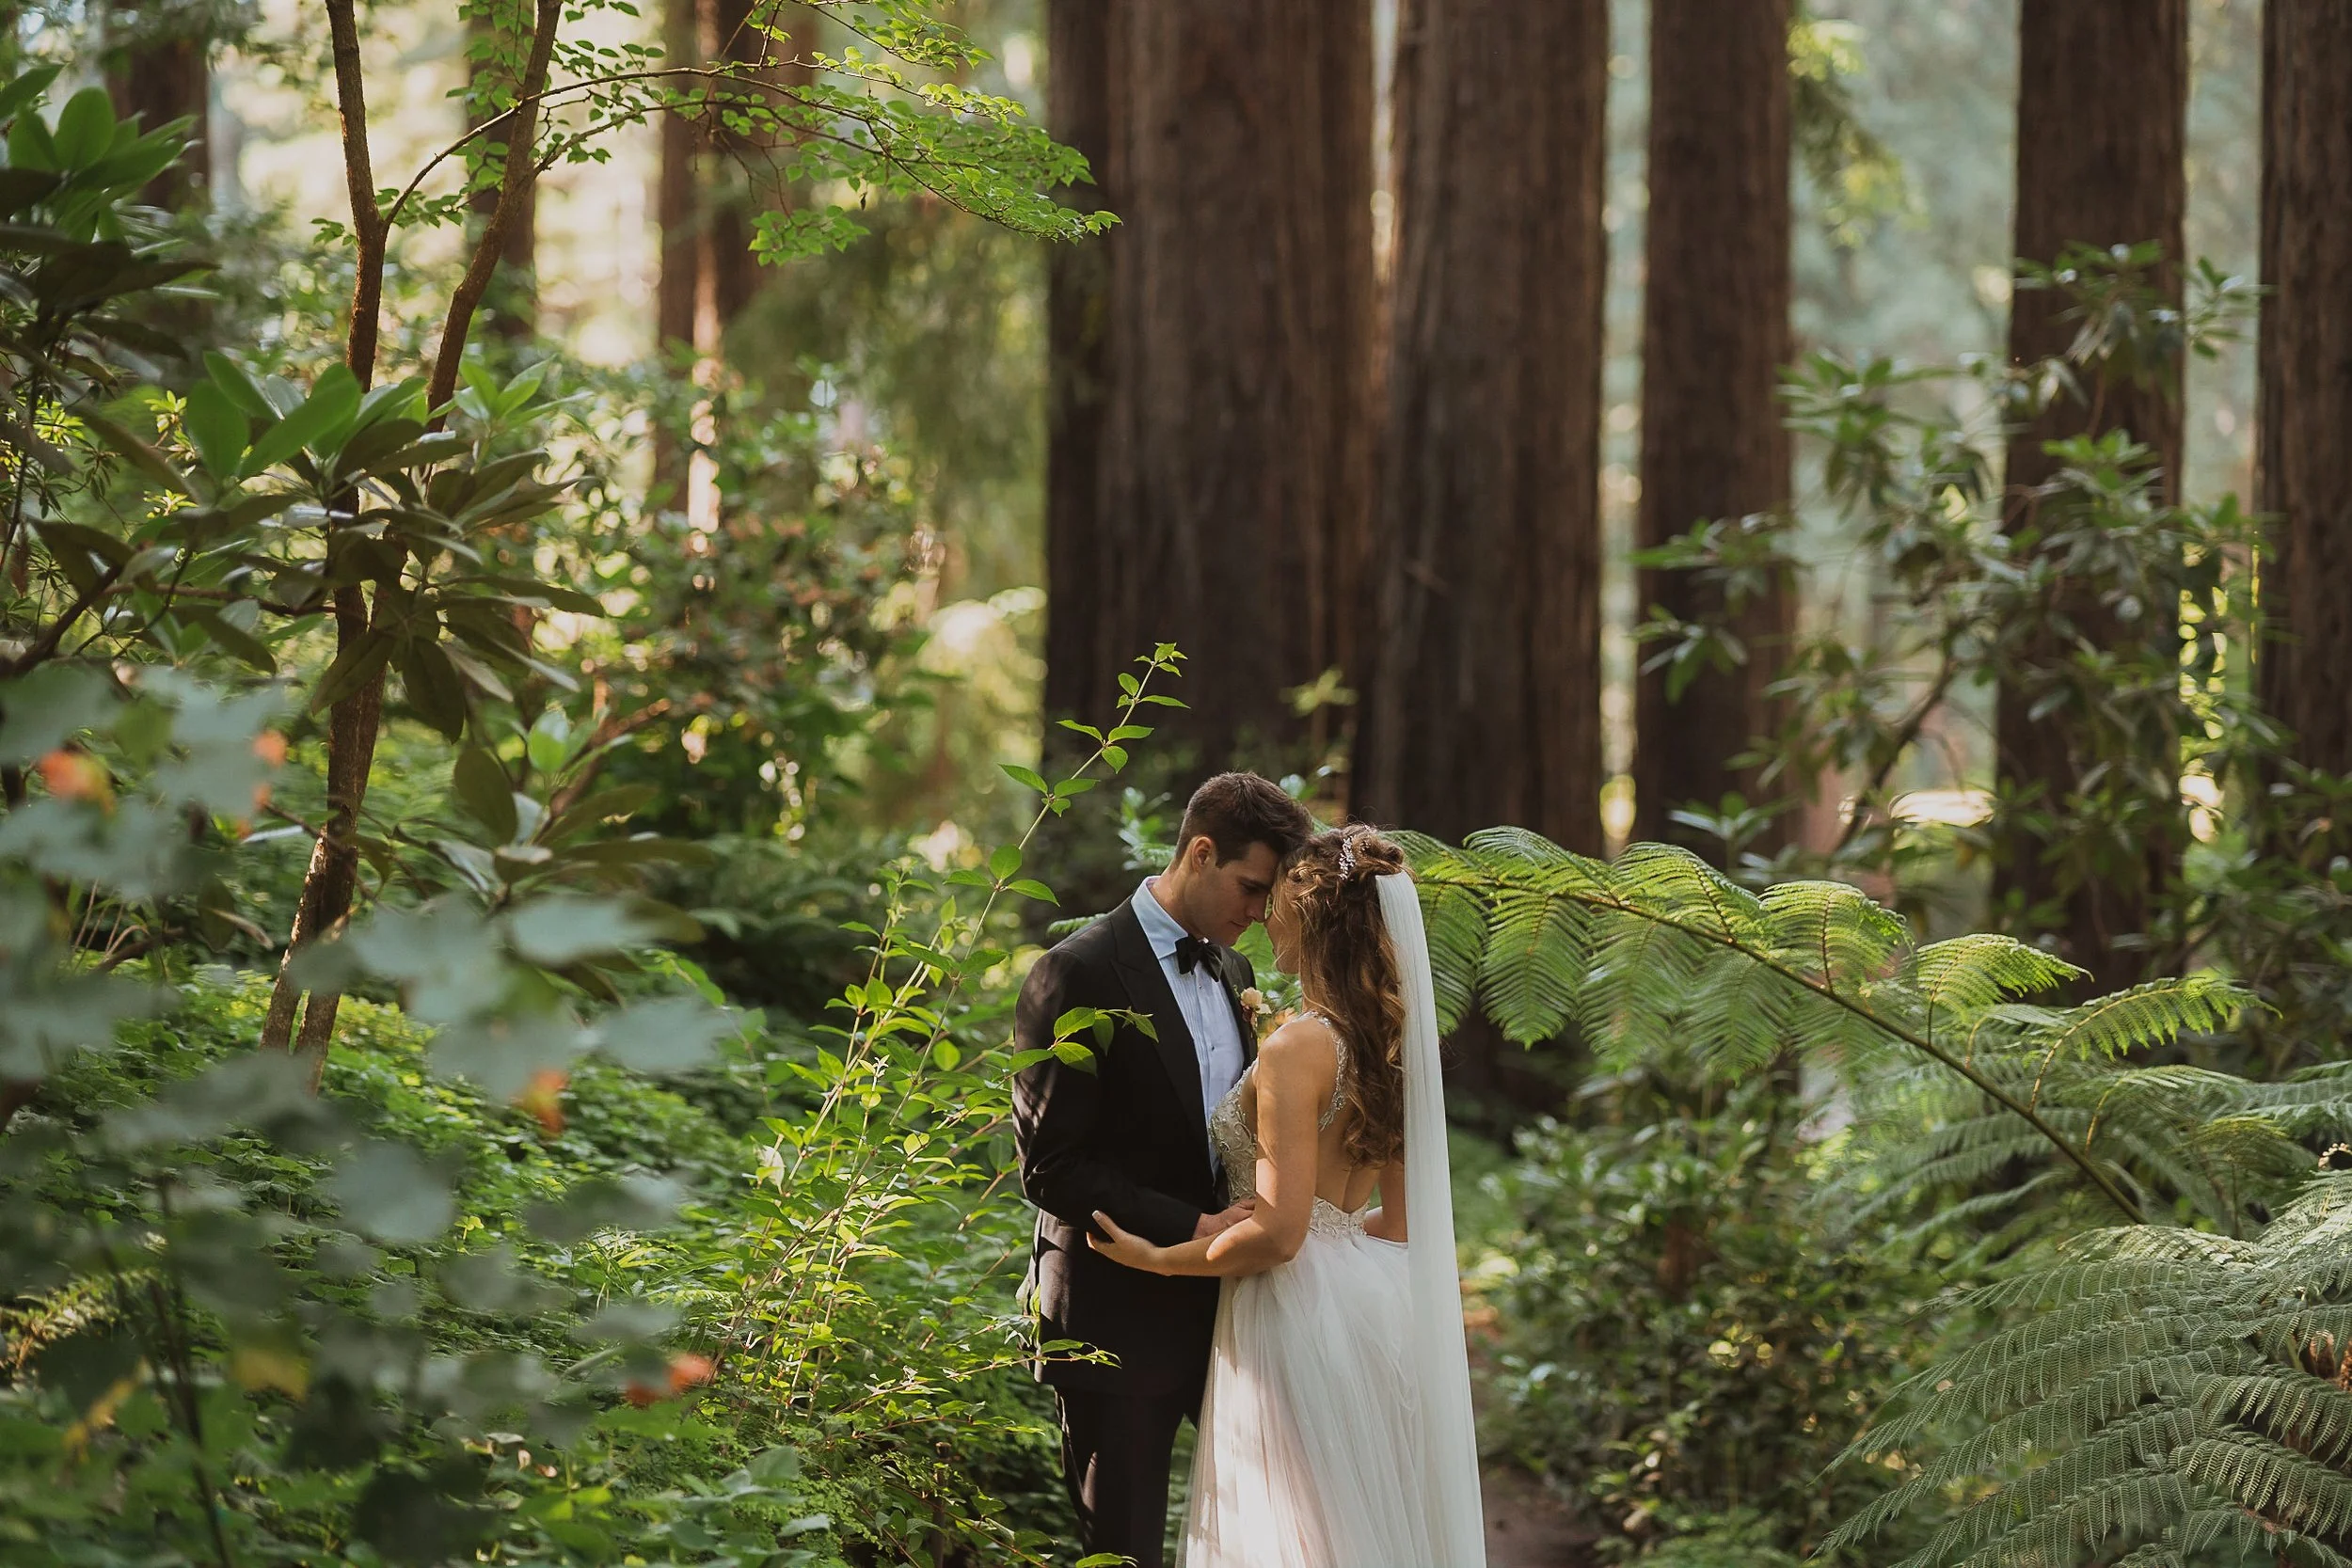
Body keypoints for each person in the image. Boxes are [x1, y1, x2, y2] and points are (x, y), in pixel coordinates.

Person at [1086, 825, 1487, 1567]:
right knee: (1347, 1524)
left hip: (1291, 1310)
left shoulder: (1297, 1047)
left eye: (1278, 901)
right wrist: (1334, 1231)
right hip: (1367, 1309)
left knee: (1290, 1533)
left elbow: (1279, 1233)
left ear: (1314, 917)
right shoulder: (1395, 1046)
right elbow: (1397, 1221)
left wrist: (1159, 1257)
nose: (1265, 914)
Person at [1011, 771, 1314, 1568]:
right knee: (1127, 1553)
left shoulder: (1235, 974)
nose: (1259, 912)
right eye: (1251, 887)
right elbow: (1051, 1168)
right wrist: (1189, 1225)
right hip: (1114, 1318)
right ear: (1200, 851)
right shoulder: (1073, 972)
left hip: (1229, 1311)